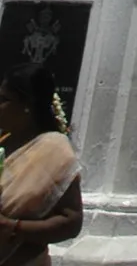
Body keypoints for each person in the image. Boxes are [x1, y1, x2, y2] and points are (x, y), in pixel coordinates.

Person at [0, 61, 83, 266]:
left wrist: (13, 227)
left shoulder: (54, 150)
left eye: (4, 99)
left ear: (27, 105)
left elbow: (71, 222)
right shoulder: (4, 140)